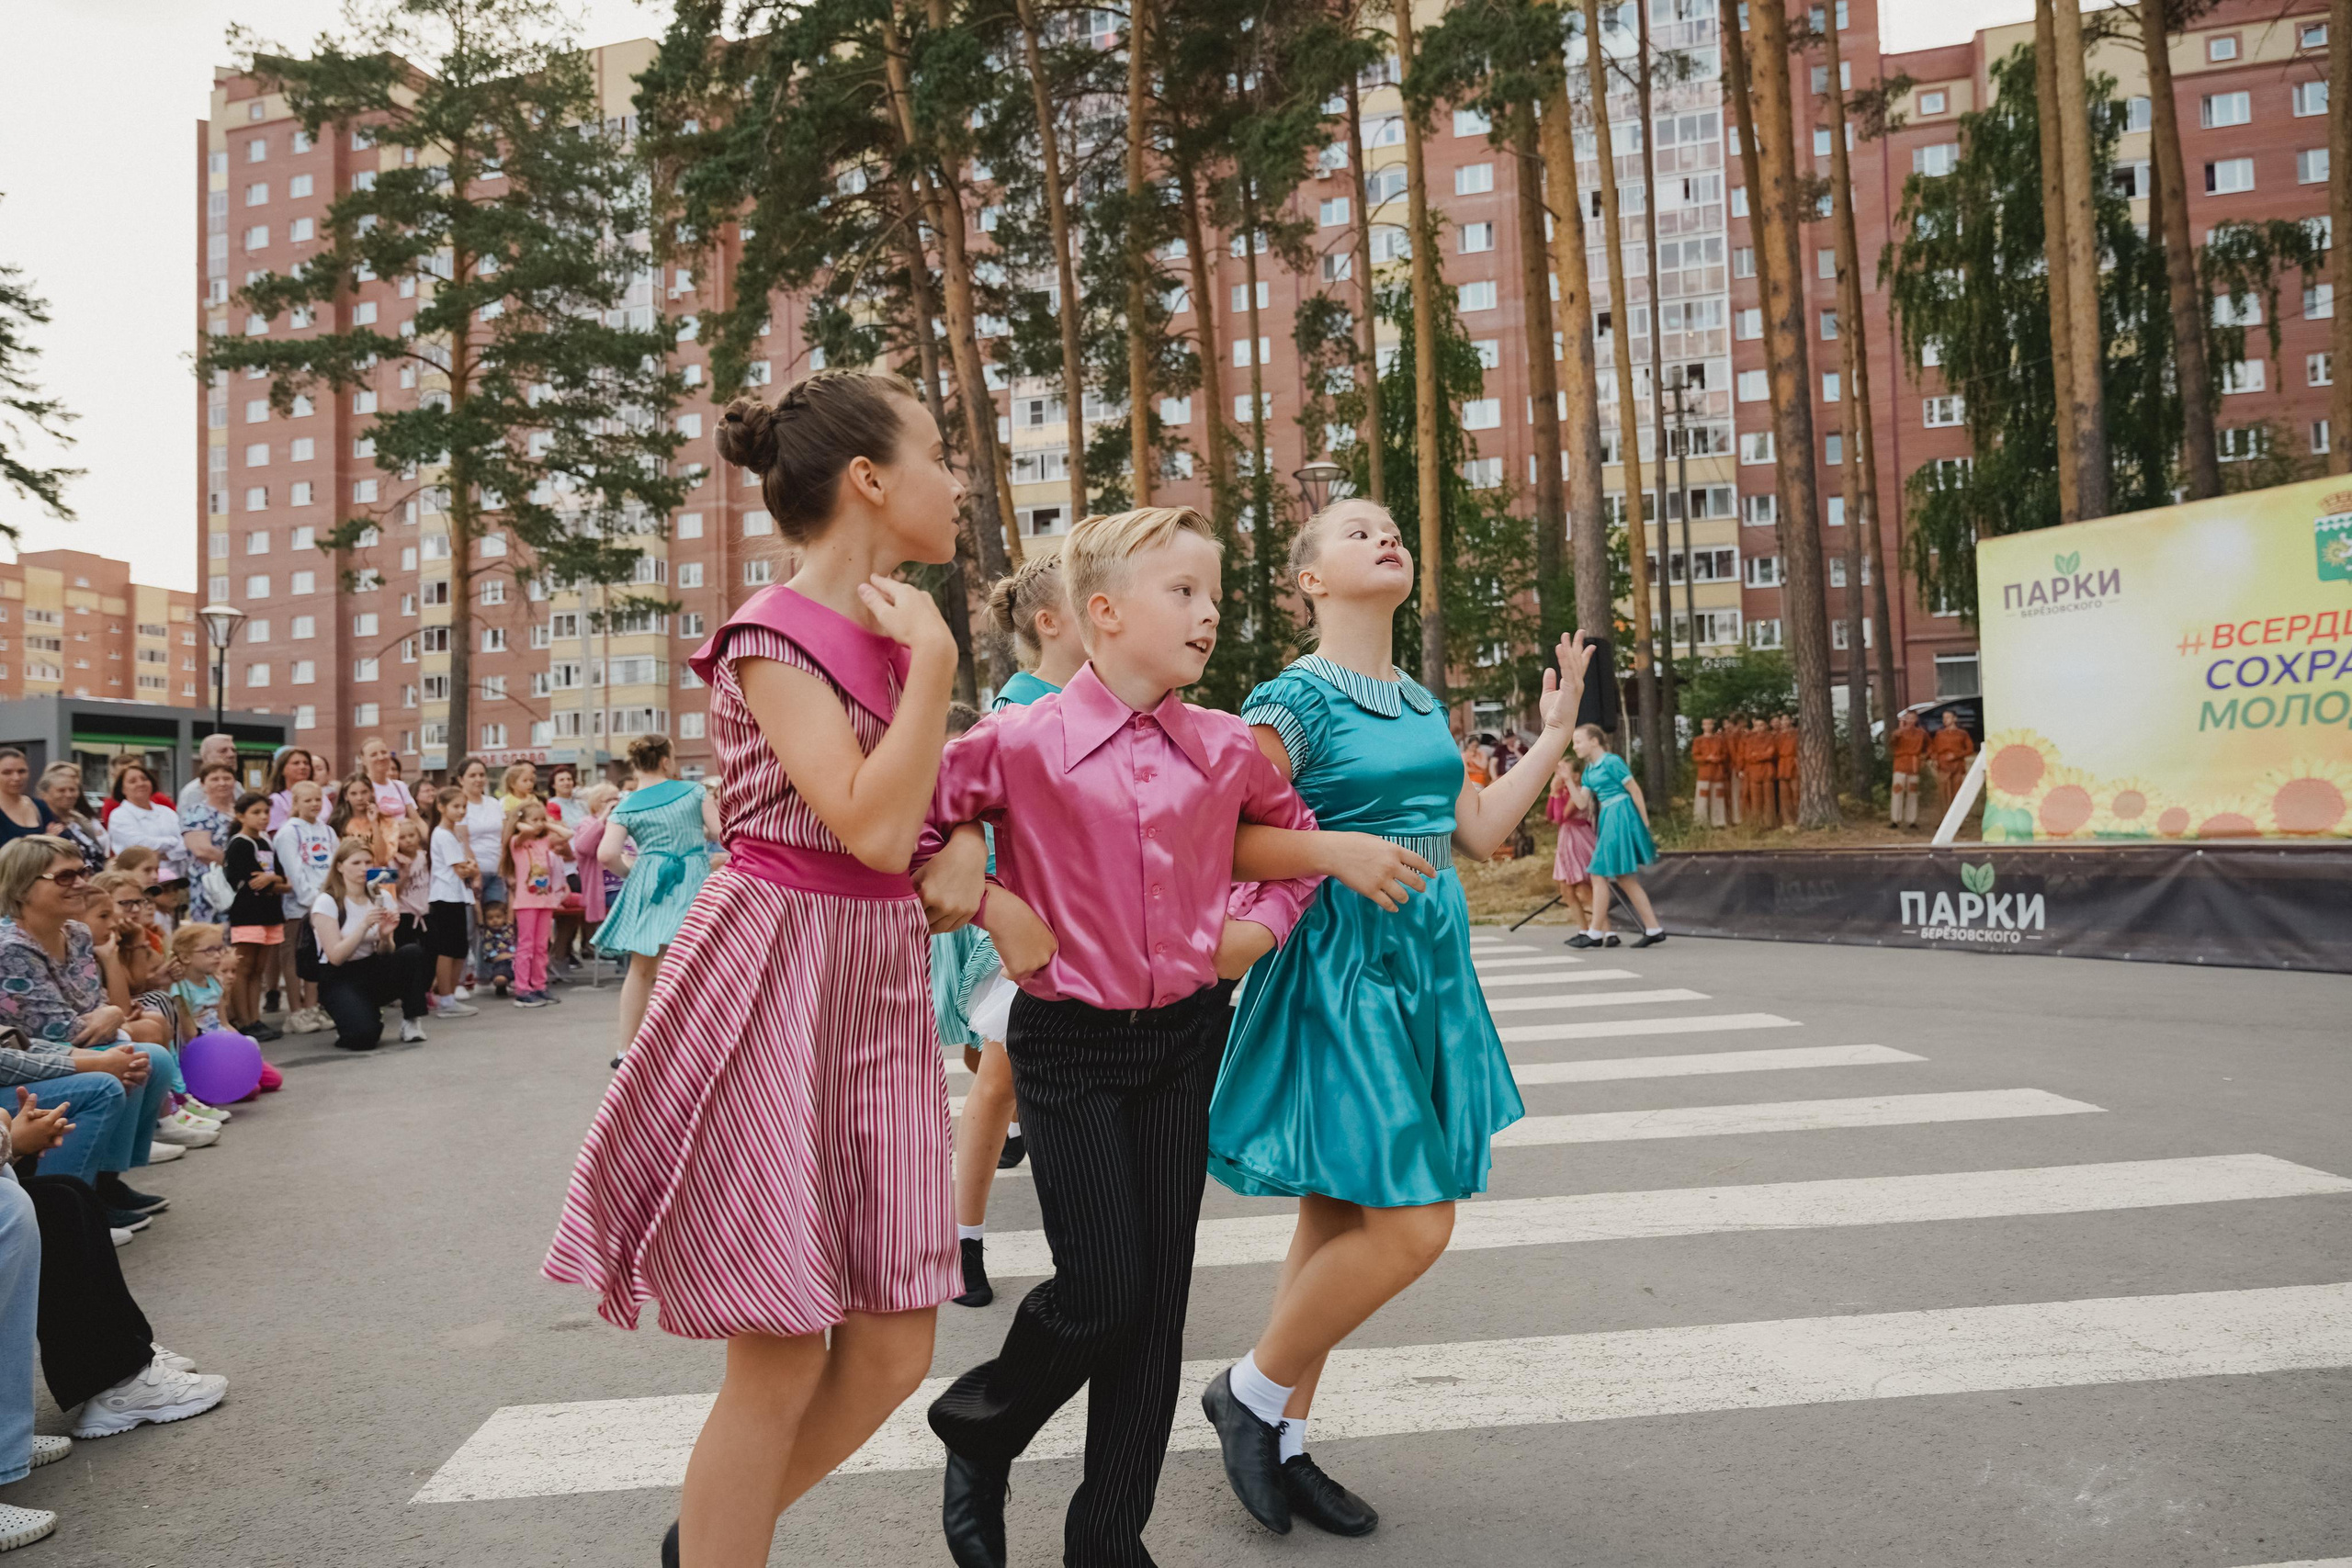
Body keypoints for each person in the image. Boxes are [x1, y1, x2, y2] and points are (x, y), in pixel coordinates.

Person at [545, 369, 970, 1568]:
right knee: (780, 1350)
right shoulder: (777, 632)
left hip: (874, 980)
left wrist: (970, 838)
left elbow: (928, 808)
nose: (959, 483)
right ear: (869, 479)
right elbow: (871, 825)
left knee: (891, 1350)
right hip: (779, 972)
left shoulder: (892, 634)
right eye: (938, 455)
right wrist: (938, 668)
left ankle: (708, 1540)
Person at [919, 504, 1356, 1568]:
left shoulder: (1224, 745)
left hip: (1183, 1041)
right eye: (1183, 592)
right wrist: (991, 899)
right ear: (1102, 612)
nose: (1209, 614)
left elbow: (1296, 843)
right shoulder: (1017, 741)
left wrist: (1259, 928)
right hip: (1067, 1045)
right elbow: (909, 833)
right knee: (1103, 1291)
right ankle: (979, 1428)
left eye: (1215, 595)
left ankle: (1109, 1540)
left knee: (1155, 1311)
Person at [1196, 499, 1588, 1538]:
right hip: (1340, 968)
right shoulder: (1292, 700)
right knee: (1414, 1223)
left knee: (1336, 1216)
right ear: (1310, 579)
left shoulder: (1419, 702)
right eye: (1355, 528)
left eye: (1390, 527)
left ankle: (1283, 1438)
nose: (1384, 536)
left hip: (1425, 966)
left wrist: (1553, 734)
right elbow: (1219, 837)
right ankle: (1247, 1392)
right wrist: (1335, 852)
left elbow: (1479, 831)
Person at [946, 551, 1089, 1311]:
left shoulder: (1110, 701)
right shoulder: (1015, 713)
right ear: (1051, 621)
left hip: (1092, 924)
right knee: (999, 1079)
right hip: (1023, 923)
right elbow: (960, 820)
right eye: (1092, 598)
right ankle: (962, 1239)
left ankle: (1092, 1253)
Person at [0, 839, 173, 1225]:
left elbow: (97, 1009)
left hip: (53, 1051)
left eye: (82, 872)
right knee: (112, 1076)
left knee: (154, 1059)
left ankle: (104, 1183)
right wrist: (108, 1020)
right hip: (27, 1064)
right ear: (23, 887)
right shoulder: (9, 949)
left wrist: (111, 1014)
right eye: (65, 876)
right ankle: (67, 1211)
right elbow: (59, 1030)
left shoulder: (77, 933)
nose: (80, 882)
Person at [595, 735, 720, 1057]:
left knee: (641, 968)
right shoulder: (694, 791)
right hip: (692, 878)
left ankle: (626, 1050)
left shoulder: (625, 805)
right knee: (686, 965)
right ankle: (683, 1048)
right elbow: (720, 832)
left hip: (649, 882)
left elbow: (607, 854)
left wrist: (632, 873)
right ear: (666, 761)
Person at [309, 839, 430, 1051]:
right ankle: (356, 1017)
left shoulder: (381, 896)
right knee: (363, 1038)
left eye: (367, 862)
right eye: (356, 863)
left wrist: (385, 936)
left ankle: (411, 1020)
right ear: (340, 866)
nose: (363, 868)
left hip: (371, 967)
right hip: (339, 976)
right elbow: (335, 957)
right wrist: (364, 925)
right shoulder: (327, 901)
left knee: (411, 952)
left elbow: (386, 952)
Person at [1571, 724, 1666, 947]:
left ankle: (1595, 932)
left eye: (1578, 741)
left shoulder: (1612, 762)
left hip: (1621, 814)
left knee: (1598, 874)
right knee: (1624, 877)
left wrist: (1644, 823)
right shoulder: (1589, 770)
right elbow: (1582, 803)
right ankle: (1654, 928)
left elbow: (1634, 790)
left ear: (1594, 741)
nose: (1575, 747)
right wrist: (1567, 779)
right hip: (1608, 815)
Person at [271, 781, 337, 1033]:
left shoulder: (327, 831)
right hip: (300, 906)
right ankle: (296, 1011)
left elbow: (334, 864)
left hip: (325, 902)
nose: (314, 804)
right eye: (308, 800)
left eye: (318, 799)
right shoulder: (289, 832)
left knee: (315, 957)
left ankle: (312, 1007)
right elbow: (294, 870)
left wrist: (330, 898)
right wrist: (311, 899)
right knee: (294, 957)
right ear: (296, 803)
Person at [220, 793, 287, 1040]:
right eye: (256, 812)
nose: (263, 817)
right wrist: (271, 881)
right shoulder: (240, 844)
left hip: (269, 912)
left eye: (266, 812)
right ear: (241, 816)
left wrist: (272, 879)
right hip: (247, 912)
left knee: (259, 968)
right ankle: (244, 1020)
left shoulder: (267, 841)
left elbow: (281, 879)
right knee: (244, 967)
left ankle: (256, 1018)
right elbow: (252, 881)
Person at [454, 758, 508, 994]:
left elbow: (503, 836)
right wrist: (474, 872)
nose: (478, 779)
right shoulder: (461, 805)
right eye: (472, 775)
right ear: (461, 779)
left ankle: (488, 976)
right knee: (469, 927)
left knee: (495, 925)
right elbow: (463, 840)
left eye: (481, 775)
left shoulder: (493, 803)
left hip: (496, 872)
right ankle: (459, 981)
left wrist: (504, 866)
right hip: (471, 873)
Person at [426, 794, 481, 1017]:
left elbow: (467, 865)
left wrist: (471, 866)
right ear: (441, 807)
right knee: (448, 949)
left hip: (457, 896)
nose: (461, 811)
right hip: (445, 896)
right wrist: (472, 868)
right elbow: (462, 869)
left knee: (459, 948)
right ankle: (446, 999)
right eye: (455, 806)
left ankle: (448, 995)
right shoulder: (442, 835)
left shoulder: (453, 833)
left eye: (463, 806)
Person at [104, 768, 182, 904]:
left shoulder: (167, 812)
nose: (140, 783)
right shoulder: (119, 815)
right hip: (139, 886)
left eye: (144, 779)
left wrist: (167, 854)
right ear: (122, 789)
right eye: (132, 781)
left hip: (174, 883)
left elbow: (185, 844)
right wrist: (172, 842)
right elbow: (138, 845)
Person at [175, 761, 240, 926]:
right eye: (215, 779)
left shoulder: (241, 811)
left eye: (227, 778)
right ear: (203, 785)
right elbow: (202, 850)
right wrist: (239, 865)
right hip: (212, 887)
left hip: (241, 886)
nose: (222, 783)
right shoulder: (198, 812)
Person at [1547, 755, 1599, 929]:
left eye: (1563, 770)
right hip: (1566, 840)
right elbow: (1550, 816)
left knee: (1584, 888)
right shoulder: (1562, 791)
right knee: (1566, 890)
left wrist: (1556, 794)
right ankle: (1584, 930)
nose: (1559, 774)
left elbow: (1562, 816)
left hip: (1579, 840)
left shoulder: (1577, 791)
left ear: (1576, 776)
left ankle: (1603, 930)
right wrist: (1553, 793)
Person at [390, 817, 432, 949]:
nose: (408, 840)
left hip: (426, 914)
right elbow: (393, 894)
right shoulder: (392, 863)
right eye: (402, 837)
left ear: (418, 836)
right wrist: (404, 875)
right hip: (405, 915)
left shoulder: (425, 857)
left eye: (412, 835)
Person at [0, 752, 54, 849]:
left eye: (22, 771)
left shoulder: (40, 806)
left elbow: (59, 840)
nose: (16, 778)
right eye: (7, 772)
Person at [1929, 711, 1976, 816]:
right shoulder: (1940, 734)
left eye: (1948, 717)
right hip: (1943, 765)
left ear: (1955, 719)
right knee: (1943, 792)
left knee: (1956, 792)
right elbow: (1933, 748)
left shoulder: (1962, 733)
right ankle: (1944, 817)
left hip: (1957, 766)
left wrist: (1956, 755)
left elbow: (1970, 749)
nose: (1945, 720)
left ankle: (1956, 817)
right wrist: (1935, 759)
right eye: (1943, 718)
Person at [1889, 708, 1928, 829]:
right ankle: (1895, 819)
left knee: (1912, 792)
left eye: (1913, 718)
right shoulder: (1899, 733)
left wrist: (1924, 757)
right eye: (1908, 718)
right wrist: (1898, 733)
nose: (1910, 720)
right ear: (1905, 719)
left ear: (1916, 719)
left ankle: (1911, 819)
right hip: (1900, 764)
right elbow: (1892, 743)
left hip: (1913, 765)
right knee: (1897, 790)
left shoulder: (1921, 733)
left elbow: (1928, 747)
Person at [264, 747, 316, 834]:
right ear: (282, 769)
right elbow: (275, 833)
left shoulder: (322, 797)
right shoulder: (277, 800)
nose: (303, 767)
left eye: (306, 763)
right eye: (296, 763)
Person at [1690, 716, 1729, 829]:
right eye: (1705, 724)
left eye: (1710, 724)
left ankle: (1718, 822)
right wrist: (1707, 758)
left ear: (1713, 725)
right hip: (1704, 775)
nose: (1708, 726)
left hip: (1717, 774)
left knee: (1718, 798)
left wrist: (1718, 758)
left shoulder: (1719, 740)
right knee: (1702, 799)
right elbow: (1695, 756)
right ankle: (1700, 823)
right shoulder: (1698, 740)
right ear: (1702, 726)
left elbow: (1725, 755)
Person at [1774, 712, 1801, 829]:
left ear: (1791, 721)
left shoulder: (1796, 733)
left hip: (1793, 763)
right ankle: (1786, 820)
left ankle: (1798, 817)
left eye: (1787, 719)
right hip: (1782, 764)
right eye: (1782, 720)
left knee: (1796, 792)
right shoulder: (1777, 735)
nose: (1784, 722)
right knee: (1784, 794)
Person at [1722, 715, 1747, 826]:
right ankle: (1737, 818)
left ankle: (1743, 816)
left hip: (1744, 767)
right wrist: (1739, 768)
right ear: (1740, 722)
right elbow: (1733, 753)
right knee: (1737, 792)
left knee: (1742, 793)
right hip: (1737, 767)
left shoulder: (1743, 734)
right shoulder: (1733, 736)